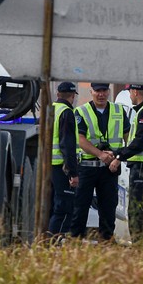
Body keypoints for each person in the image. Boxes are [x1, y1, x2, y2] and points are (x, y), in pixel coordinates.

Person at [70, 83, 129, 241]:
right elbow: (81, 140)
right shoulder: (81, 112)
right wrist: (100, 154)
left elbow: (127, 137)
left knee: (109, 207)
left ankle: (107, 241)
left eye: (104, 91)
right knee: (81, 206)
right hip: (87, 167)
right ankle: (75, 241)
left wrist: (119, 156)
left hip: (109, 168)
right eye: (97, 91)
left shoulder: (119, 110)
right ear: (91, 92)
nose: (101, 94)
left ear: (109, 92)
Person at [110, 84, 143, 242]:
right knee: (141, 204)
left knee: (136, 207)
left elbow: (140, 142)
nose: (129, 96)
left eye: (130, 93)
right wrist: (119, 153)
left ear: (134, 92)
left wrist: (119, 156)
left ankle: (139, 242)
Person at [48, 81, 79, 236]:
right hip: (61, 166)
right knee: (65, 206)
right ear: (72, 96)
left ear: (58, 94)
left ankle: (45, 241)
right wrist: (73, 173)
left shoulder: (51, 110)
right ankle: (56, 241)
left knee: (51, 206)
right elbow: (67, 144)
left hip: (47, 166)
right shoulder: (66, 112)